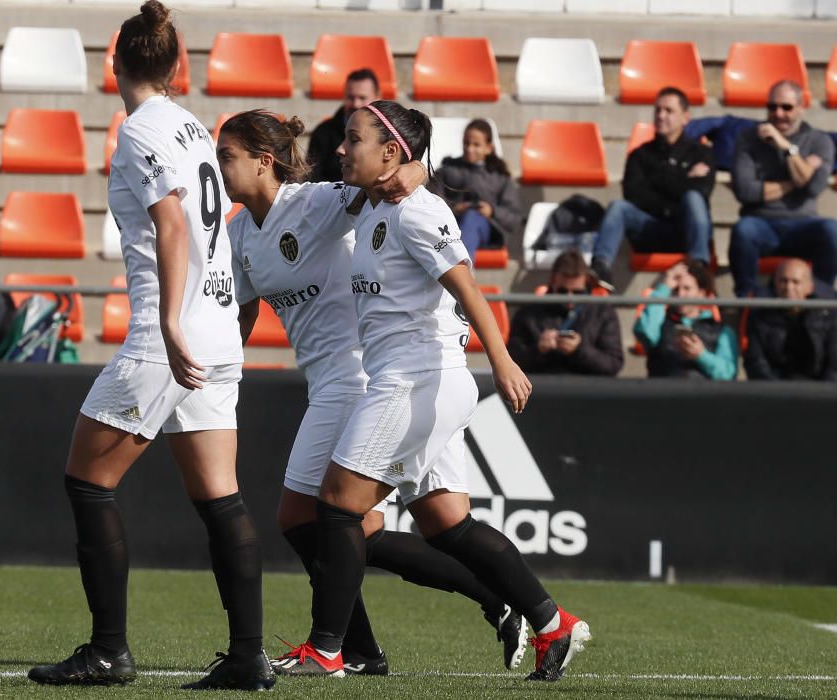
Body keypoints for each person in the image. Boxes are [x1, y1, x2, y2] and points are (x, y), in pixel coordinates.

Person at [272, 100, 590, 682]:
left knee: (339, 507)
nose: (341, 149)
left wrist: (504, 361)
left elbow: (470, 291)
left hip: (417, 378)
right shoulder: (375, 201)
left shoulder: (419, 213)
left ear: (391, 152)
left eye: (353, 139)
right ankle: (552, 623)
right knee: (447, 525)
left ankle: (329, 650)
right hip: (419, 379)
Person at [219, 110, 528, 677]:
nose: (220, 169)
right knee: (400, 526)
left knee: (305, 518)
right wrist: (222, 371)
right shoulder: (239, 233)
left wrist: (419, 169)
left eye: (228, 157)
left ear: (265, 162)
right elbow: (241, 313)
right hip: (328, 380)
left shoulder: (313, 203)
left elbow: (387, 182)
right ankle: (490, 604)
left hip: (364, 376)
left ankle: (340, 646)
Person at [27, 2, 272, 691]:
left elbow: (170, 224)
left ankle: (108, 651)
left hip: (174, 334)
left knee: (87, 480)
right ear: (174, 66)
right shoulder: (195, 126)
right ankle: (249, 657)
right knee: (220, 496)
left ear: (117, 63)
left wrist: (167, 322)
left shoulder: (139, 131)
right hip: (220, 328)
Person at [590, 87, 716, 290]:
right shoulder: (640, 155)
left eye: (668, 110)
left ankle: (699, 267)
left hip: (685, 230)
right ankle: (600, 267)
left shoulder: (702, 153)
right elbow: (633, 195)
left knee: (693, 199)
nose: (661, 116)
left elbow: (702, 191)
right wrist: (682, 179)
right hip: (650, 230)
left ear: (685, 117)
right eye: (657, 110)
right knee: (618, 207)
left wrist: (657, 181)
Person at [729, 80, 837, 298]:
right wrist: (798, 179)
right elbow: (746, 192)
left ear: (801, 106)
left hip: (804, 225)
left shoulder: (820, 141)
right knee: (743, 230)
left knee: (832, 231)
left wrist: (786, 147)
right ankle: (746, 305)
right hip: (761, 224)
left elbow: (814, 188)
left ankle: (821, 306)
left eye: (786, 107)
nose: (778, 113)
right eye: (772, 107)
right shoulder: (748, 140)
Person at [508, 250, 623, 376]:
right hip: (541, 388)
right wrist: (538, 349)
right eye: (563, 291)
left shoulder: (603, 312)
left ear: (586, 284)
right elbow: (510, 363)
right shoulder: (528, 313)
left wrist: (579, 350)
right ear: (552, 282)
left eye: (577, 292)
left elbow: (613, 364)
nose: (570, 298)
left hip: (589, 390)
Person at [429, 118, 522, 260]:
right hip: (450, 227)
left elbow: (514, 219)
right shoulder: (448, 170)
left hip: (485, 231)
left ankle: (460, 266)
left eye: (476, 145)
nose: (469, 148)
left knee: (472, 217)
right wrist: (455, 209)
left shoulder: (500, 177)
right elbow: (430, 203)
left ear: (488, 148)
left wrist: (491, 211)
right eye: (466, 143)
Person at [635, 259, 738, 380]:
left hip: (703, 397)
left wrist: (701, 355)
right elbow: (644, 332)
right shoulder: (658, 323)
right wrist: (665, 285)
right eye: (676, 289)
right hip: (663, 396)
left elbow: (728, 375)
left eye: (687, 288)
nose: (680, 295)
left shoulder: (722, 331)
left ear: (702, 293)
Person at [745, 258, 837, 381]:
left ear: (809, 287)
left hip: (820, 393)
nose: (788, 287)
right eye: (783, 281)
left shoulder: (828, 317)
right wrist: (776, 393)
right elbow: (755, 362)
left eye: (796, 282)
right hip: (775, 393)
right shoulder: (760, 316)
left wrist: (823, 394)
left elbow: (834, 365)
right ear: (775, 284)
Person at [306, 68, 380, 183]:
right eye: (351, 97)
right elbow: (312, 178)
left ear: (377, 97)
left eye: (362, 98)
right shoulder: (322, 133)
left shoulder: (390, 133)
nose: (356, 104)